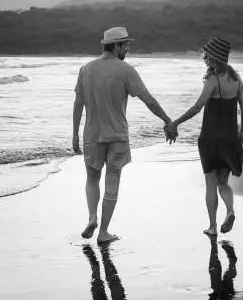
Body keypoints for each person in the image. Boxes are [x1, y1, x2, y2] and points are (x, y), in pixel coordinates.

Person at [72, 26, 173, 244]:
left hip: (91, 135)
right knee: (112, 181)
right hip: (117, 135)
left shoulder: (86, 69)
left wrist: (74, 135)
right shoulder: (125, 70)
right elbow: (149, 101)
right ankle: (103, 232)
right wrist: (167, 121)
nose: (128, 48)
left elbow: (78, 104)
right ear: (116, 46)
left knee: (91, 178)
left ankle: (91, 217)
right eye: (126, 45)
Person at [166, 37, 243, 236]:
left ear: (215, 59)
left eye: (207, 56)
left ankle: (212, 227)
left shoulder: (212, 80)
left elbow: (197, 107)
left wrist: (175, 123)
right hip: (230, 139)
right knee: (223, 182)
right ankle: (230, 211)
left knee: (210, 183)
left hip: (210, 139)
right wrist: (242, 133)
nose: (204, 59)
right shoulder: (237, 81)